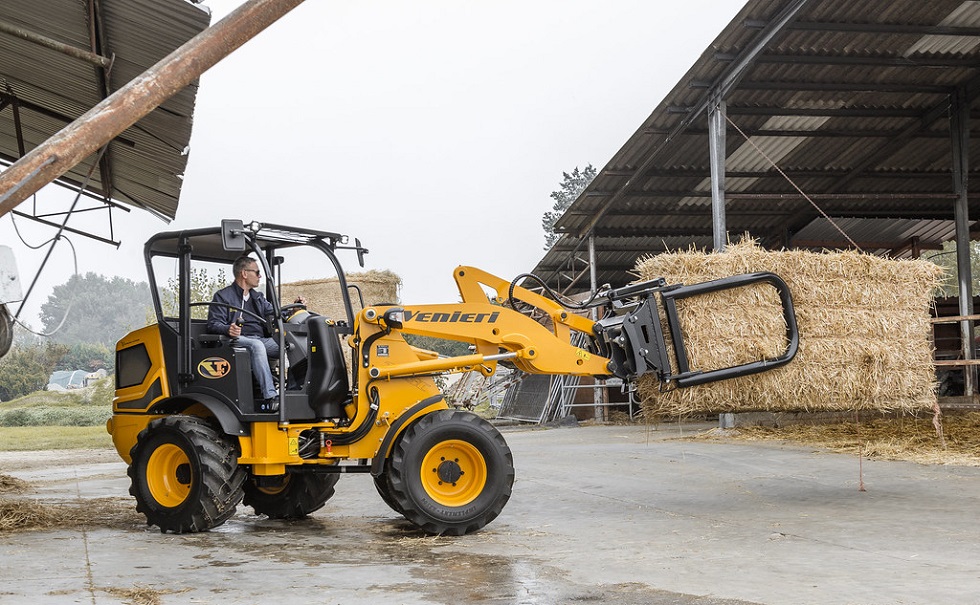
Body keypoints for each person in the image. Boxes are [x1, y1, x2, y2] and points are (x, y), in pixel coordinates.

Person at [206, 255, 304, 412]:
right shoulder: (223, 296)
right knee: (257, 345)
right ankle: (271, 397)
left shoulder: (258, 298)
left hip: (259, 339)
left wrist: (293, 309)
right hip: (234, 341)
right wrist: (228, 329)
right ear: (244, 273)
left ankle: (293, 391)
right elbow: (213, 324)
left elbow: (275, 314)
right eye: (257, 272)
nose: (260, 276)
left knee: (291, 345)